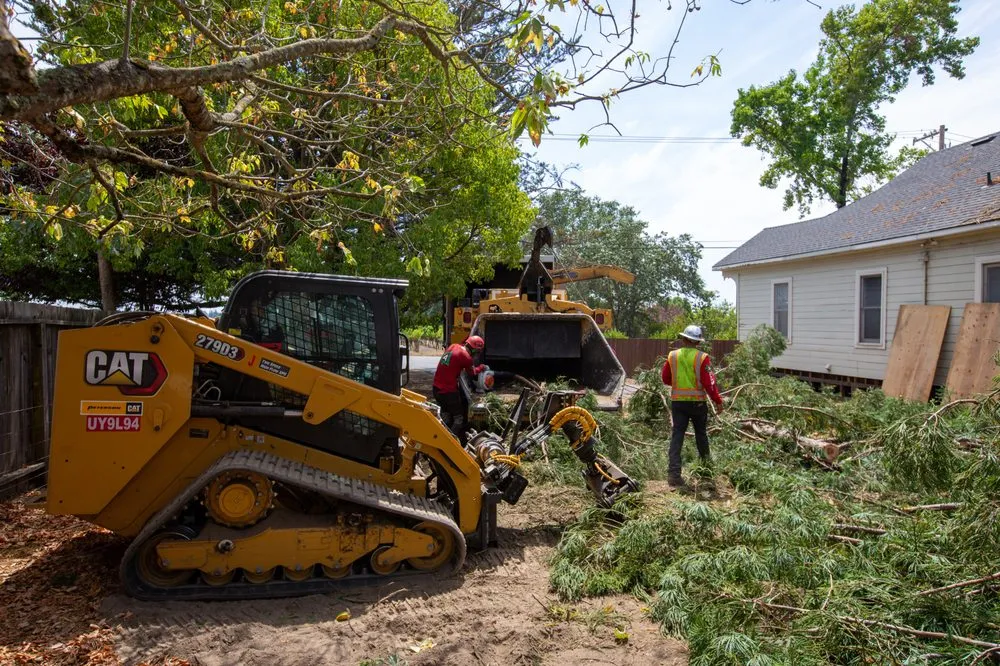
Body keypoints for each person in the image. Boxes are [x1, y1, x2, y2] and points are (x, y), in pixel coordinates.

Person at [661, 325, 724, 487]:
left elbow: (666, 378)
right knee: (701, 436)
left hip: (678, 404)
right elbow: (709, 383)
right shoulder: (702, 358)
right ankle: (706, 474)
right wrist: (717, 401)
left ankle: (674, 475)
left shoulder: (673, 356)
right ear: (698, 342)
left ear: (683, 339)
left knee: (677, 437)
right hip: (697, 404)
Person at [432, 335, 486, 440]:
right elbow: (473, 372)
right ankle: (449, 442)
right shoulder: (466, 357)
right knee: (459, 419)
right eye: (477, 352)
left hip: (436, 389)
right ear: (474, 350)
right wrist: (482, 367)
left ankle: (439, 437)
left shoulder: (453, 346)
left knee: (446, 417)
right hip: (448, 392)